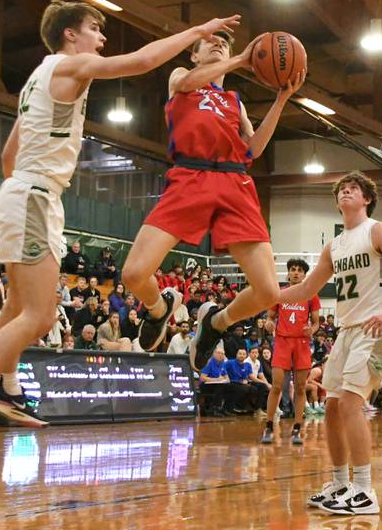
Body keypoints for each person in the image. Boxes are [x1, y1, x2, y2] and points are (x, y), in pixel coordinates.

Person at [0, 0, 242, 468]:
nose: (101, 37)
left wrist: (23, 191)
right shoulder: (72, 64)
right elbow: (141, 62)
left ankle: (9, 389)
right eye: (95, 29)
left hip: (26, 193)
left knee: (16, 307)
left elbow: (7, 155)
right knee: (38, 315)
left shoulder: (38, 79)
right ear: (71, 35)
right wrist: (198, 28)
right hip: (35, 195)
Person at [121, 28, 305, 366]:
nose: (219, 43)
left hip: (235, 181)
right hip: (190, 175)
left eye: (225, 42)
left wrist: (281, 100)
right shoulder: (181, 76)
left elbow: (253, 149)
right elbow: (187, 84)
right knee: (133, 274)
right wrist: (240, 59)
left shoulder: (235, 101)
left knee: (268, 292)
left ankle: (216, 322)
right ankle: (159, 308)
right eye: (210, 42)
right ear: (194, 54)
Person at [279, 172, 382, 516]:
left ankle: (364, 490)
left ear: (367, 198)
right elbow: (306, 289)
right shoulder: (335, 245)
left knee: (351, 405)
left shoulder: (378, 230)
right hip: (346, 330)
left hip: (374, 329)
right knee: (331, 407)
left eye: (354, 188)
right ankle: (341, 483)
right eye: (342, 189)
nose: (346, 192)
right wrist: (268, 295)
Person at [262, 257, 320, 445]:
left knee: (301, 387)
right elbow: (270, 317)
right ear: (288, 273)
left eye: (299, 270)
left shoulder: (311, 295)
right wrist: (270, 324)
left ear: (304, 275)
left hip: (302, 343)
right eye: (293, 269)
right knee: (277, 386)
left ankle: (297, 428)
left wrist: (312, 329)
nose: (295, 272)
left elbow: (317, 322)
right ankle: (269, 426)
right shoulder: (280, 293)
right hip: (282, 341)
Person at [199, 347, 229, 417]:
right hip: (205, 385)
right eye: (218, 353)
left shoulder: (223, 363)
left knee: (230, 386)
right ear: (214, 354)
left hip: (217, 384)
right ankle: (215, 409)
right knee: (219, 387)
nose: (220, 355)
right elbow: (202, 378)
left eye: (222, 354)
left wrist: (227, 380)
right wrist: (216, 380)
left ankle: (225, 408)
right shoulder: (209, 362)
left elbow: (226, 375)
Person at [244, 347, 270, 415]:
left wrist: (267, 383)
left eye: (256, 352)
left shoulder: (258, 362)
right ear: (249, 354)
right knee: (262, 386)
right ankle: (258, 409)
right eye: (253, 352)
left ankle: (267, 408)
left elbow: (261, 375)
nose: (255, 354)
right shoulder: (247, 362)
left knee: (267, 386)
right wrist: (265, 383)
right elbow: (251, 377)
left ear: (258, 354)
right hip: (247, 381)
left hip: (255, 381)